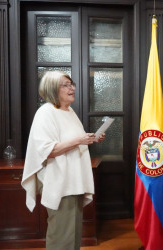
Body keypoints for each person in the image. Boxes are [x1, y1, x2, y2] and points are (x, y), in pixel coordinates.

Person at [21, 71, 105, 250]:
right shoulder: (45, 112)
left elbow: (72, 141)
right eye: (66, 85)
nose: (72, 88)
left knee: (73, 234)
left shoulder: (69, 111)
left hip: (74, 180)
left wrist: (91, 138)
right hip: (59, 181)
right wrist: (80, 140)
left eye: (71, 84)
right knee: (62, 237)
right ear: (52, 89)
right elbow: (49, 151)